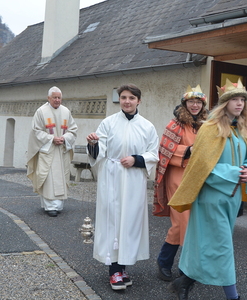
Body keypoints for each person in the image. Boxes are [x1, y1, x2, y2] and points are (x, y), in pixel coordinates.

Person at [167, 78, 247, 300]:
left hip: (232, 198)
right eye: (234, 99)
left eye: (242, 100)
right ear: (224, 103)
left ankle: (184, 282)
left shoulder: (242, 130)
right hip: (211, 197)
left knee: (205, 242)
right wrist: (234, 173)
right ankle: (232, 295)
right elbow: (202, 166)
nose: (239, 104)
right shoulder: (209, 128)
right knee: (223, 245)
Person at [86, 84, 159, 291]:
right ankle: (114, 271)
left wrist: (137, 159)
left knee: (129, 222)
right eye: (124, 97)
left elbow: (154, 153)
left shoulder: (147, 126)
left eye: (132, 98)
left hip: (134, 180)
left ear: (139, 101)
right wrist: (93, 144)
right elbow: (99, 151)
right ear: (120, 99)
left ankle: (123, 267)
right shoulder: (108, 123)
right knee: (112, 221)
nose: (127, 101)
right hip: (112, 178)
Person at [153, 85, 208, 281]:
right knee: (181, 223)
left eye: (199, 102)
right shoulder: (174, 124)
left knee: (194, 225)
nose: (195, 105)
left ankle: (170, 263)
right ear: (185, 103)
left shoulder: (206, 124)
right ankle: (179, 268)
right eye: (192, 102)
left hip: (199, 178)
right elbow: (165, 150)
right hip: (178, 177)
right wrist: (188, 151)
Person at [27, 86, 78, 217]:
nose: (57, 100)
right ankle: (49, 206)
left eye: (59, 97)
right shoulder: (41, 111)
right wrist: (51, 138)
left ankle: (58, 205)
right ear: (48, 98)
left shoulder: (66, 111)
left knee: (61, 177)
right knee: (48, 178)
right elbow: (36, 131)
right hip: (48, 151)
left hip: (61, 151)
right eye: (54, 97)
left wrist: (65, 138)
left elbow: (73, 130)